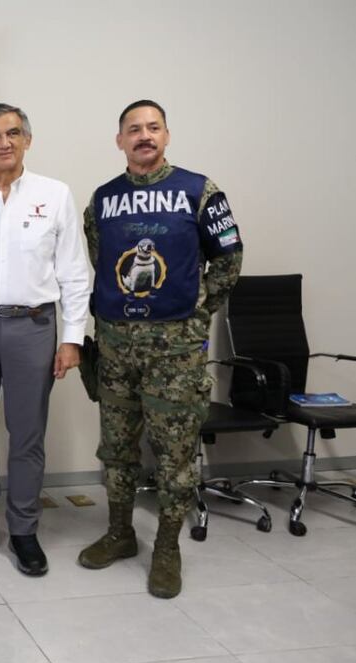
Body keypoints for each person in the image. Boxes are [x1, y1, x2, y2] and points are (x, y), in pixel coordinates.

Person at [77, 100, 243, 598]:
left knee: (174, 455)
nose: (143, 136)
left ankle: (167, 548)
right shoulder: (102, 200)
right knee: (117, 449)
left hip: (175, 355)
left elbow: (229, 260)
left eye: (153, 128)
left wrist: (192, 314)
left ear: (167, 135)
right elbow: (100, 259)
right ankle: (121, 532)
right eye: (134, 129)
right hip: (115, 349)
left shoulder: (200, 192)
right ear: (120, 140)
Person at [0, 103, 90, 576]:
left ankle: (25, 529)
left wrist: (73, 339)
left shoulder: (55, 194)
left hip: (34, 328)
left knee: (27, 435)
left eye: (12, 133)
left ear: (28, 139)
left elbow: (73, 272)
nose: (3, 142)